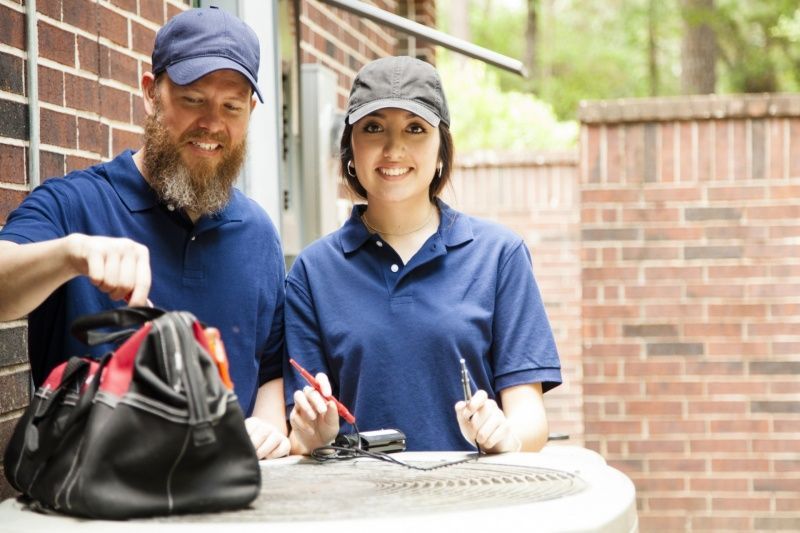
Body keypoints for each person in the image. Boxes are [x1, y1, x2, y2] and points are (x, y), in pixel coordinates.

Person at [0, 7, 289, 459]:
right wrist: (70, 255)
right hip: (93, 507)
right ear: (152, 93)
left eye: (231, 106)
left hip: (227, 501)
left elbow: (271, 366)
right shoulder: (75, 204)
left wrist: (269, 424)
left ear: (249, 111)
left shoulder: (258, 233)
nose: (212, 124)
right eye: (193, 99)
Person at [284, 56, 562, 454]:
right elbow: (301, 434)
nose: (394, 148)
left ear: (441, 152)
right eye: (374, 127)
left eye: (415, 129)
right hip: (356, 509)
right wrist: (311, 434)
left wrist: (505, 434)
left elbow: (530, 418)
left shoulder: (500, 256)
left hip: (474, 505)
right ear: (351, 150)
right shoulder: (312, 272)